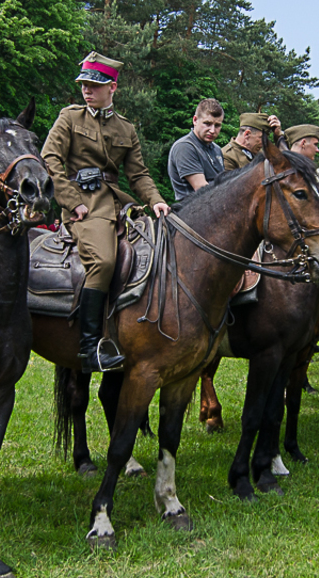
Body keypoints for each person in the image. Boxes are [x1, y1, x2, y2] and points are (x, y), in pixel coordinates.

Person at [42, 52, 171, 373]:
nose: (87, 90)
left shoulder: (125, 128)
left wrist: (155, 199)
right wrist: (72, 202)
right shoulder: (69, 118)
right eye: (84, 84)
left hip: (118, 202)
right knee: (103, 261)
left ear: (112, 87)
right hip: (84, 204)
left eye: (95, 85)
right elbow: (50, 160)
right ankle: (89, 347)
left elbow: (138, 174)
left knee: (155, 249)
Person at [166, 98, 225, 201]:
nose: (212, 130)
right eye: (207, 123)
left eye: (217, 125)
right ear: (195, 120)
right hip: (190, 212)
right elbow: (203, 190)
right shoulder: (185, 147)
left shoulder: (216, 149)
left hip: (215, 209)